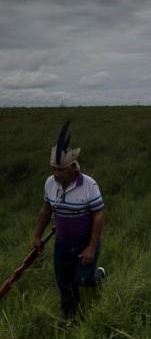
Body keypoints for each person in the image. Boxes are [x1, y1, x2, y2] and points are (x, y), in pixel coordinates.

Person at [33, 122, 105, 320]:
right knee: (64, 282)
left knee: (82, 279)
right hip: (62, 243)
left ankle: (97, 276)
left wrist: (91, 247)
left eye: (60, 170)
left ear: (73, 167)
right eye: (53, 169)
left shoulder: (89, 185)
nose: (55, 174)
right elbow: (46, 210)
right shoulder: (50, 183)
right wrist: (37, 235)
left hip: (84, 242)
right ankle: (71, 318)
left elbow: (98, 215)